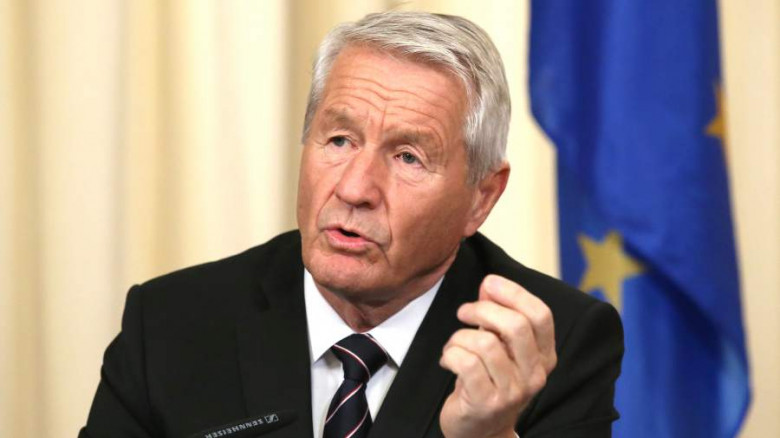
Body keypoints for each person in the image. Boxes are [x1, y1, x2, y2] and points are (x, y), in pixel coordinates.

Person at [80, 11, 623, 438]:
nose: (355, 189)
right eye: (339, 140)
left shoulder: (551, 346)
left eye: (408, 157)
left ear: (481, 198)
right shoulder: (171, 323)